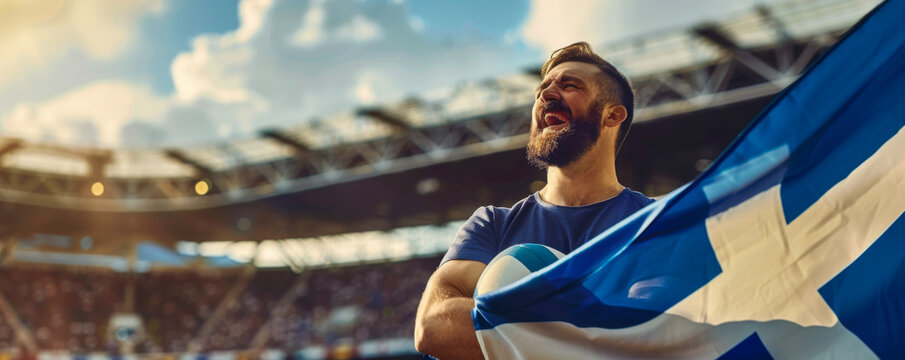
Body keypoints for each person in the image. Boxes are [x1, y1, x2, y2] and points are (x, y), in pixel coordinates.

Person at [414, 42, 655, 359]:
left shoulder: (656, 223)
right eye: (542, 89)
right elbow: (433, 326)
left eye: (569, 85)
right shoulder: (492, 225)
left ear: (612, 115)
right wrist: (581, 326)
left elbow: (653, 336)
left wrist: (509, 317)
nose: (547, 94)